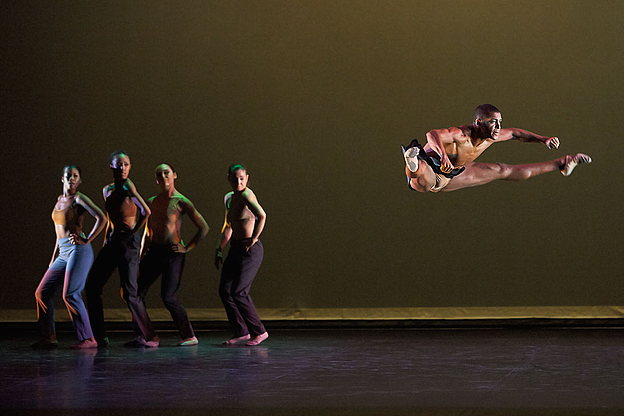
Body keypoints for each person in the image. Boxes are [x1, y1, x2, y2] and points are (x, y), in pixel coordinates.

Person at [402, 104, 592, 193]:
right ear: (478, 123)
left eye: (500, 122)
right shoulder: (460, 135)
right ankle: (412, 163)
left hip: (456, 172)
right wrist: (443, 156)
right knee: (425, 181)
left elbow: (516, 133)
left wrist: (544, 140)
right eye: (494, 122)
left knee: (503, 170)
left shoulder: (491, 135)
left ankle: (562, 163)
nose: (499, 127)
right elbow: (431, 134)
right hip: (434, 167)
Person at [132, 163, 209, 347]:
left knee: (168, 296)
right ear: (156, 179)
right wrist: (141, 255)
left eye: (167, 173)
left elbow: (204, 227)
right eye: (160, 174)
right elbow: (147, 232)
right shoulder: (152, 201)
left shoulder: (181, 201)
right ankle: (145, 335)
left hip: (172, 253)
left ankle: (189, 335)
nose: (164, 176)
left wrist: (187, 248)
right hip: (154, 252)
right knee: (135, 293)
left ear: (174, 175)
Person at [33, 165, 107, 349]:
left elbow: (102, 218)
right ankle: (48, 337)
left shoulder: (79, 198)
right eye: (68, 175)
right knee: (42, 292)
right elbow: (58, 234)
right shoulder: (59, 200)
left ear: (79, 180)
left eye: (75, 176)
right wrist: (53, 257)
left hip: (78, 250)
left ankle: (88, 339)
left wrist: (87, 239)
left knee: (70, 294)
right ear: (63, 179)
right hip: (62, 251)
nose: (71, 179)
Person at [85, 151, 153, 347]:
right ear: (111, 167)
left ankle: (149, 336)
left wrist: (133, 233)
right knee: (93, 286)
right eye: (118, 165)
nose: (122, 168)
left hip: (128, 241)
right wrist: (107, 238)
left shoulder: (127, 184)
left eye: (126, 164)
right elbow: (111, 219)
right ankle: (100, 336)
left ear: (130, 167)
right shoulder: (107, 190)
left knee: (130, 292)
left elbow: (145, 211)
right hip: (114, 241)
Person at [215, 164, 269, 346]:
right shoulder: (229, 198)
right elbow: (228, 226)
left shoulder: (247, 195)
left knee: (239, 291)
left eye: (241, 178)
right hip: (236, 248)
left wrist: (254, 238)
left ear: (247, 178)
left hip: (250, 250)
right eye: (234, 178)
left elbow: (262, 215)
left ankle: (259, 331)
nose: (238, 181)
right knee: (225, 290)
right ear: (228, 178)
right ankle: (241, 331)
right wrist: (219, 247)